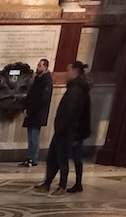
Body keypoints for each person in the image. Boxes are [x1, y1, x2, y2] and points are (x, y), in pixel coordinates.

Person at [34, 61, 91, 195]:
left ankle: (62, 186)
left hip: (68, 130)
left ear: (75, 72)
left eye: (68, 70)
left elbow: (70, 112)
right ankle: (48, 183)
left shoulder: (76, 91)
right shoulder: (76, 88)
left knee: (61, 158)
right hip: (67, 129)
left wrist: (61, 127)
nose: (66, 74)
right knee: (54, 157)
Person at [20, 58, 52, 168]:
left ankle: (33, 158)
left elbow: (42, 99)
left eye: (40, 65)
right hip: (32, 112)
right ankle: (29, 157)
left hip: (37, 113)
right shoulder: (38, 78)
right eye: (38, 65)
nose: (38, 67)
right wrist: (25, 108)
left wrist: (30, 110)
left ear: (45, 67)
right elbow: (31, 95)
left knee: (34, 137)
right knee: (30, 137)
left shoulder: (46, 80)